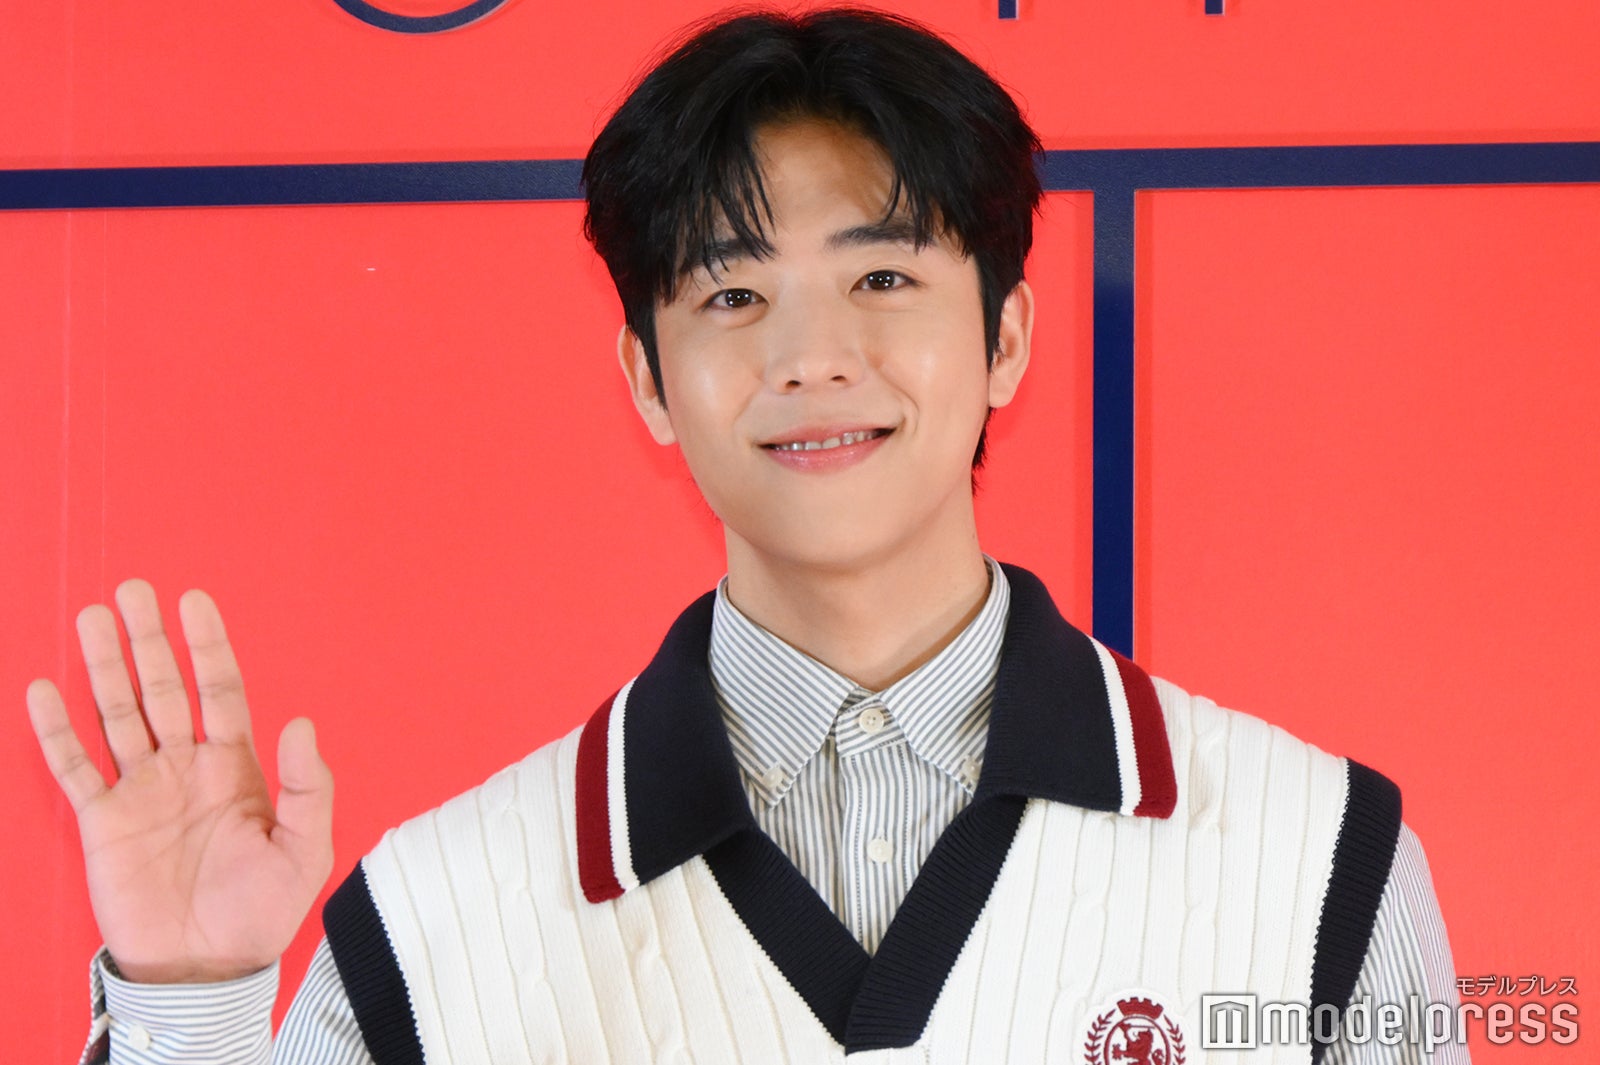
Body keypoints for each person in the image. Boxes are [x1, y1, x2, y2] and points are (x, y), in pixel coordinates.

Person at [27, 8, 1467, 1064]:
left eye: (883, 277)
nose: (811, 358)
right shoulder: (436, 914)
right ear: (648, 380)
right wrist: (190, 997)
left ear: (1007, 337)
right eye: (731, 296)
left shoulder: (1316, 860)